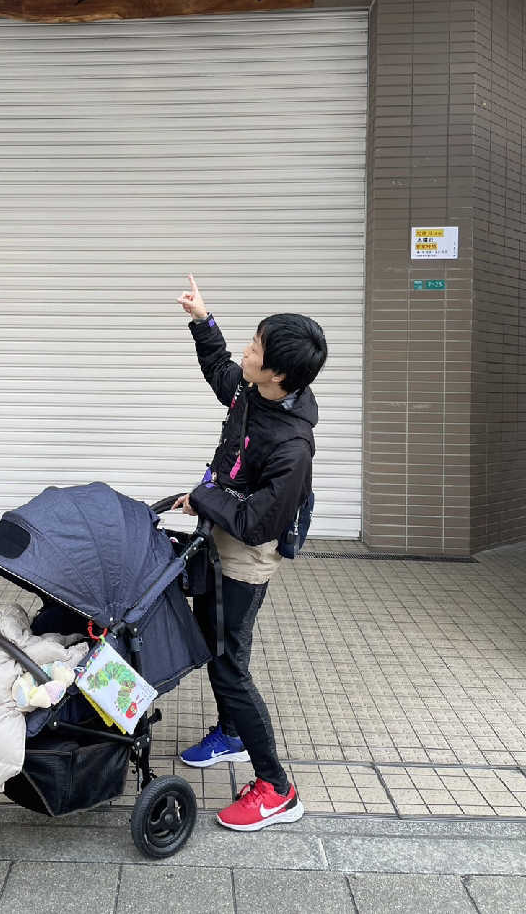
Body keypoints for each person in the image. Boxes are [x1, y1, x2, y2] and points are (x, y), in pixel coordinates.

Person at [173, 274, 327, 832]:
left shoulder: (293, 445)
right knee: (214, 641)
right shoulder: (253, 388)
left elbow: (261, 522)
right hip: (224, 528)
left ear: (280, 373)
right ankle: (232, 734)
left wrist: (206, 499)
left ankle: (277, 789)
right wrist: (201, 319)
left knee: (228, 664)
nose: (246, 350)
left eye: (257, 347)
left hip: (250, 550)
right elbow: (221, 372)